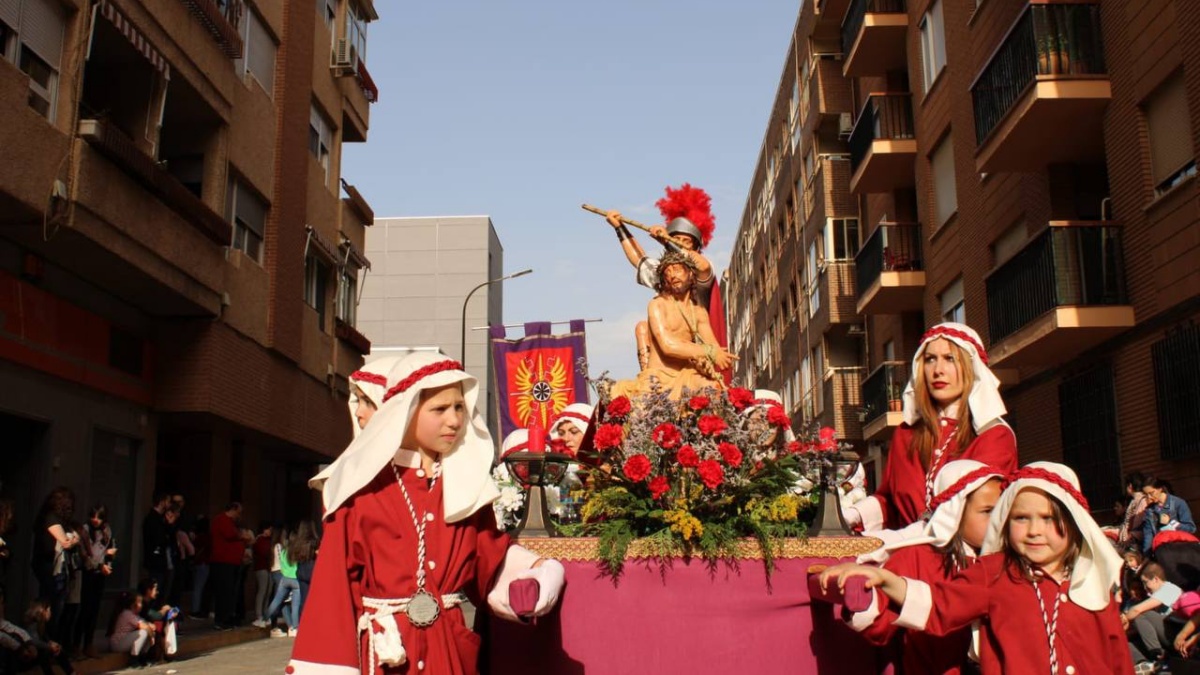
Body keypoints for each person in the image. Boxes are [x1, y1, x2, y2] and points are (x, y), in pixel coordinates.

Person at [291, 351, 566, 674]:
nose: (455, 420)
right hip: (386, 656)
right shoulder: (359, 491)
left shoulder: (465, 488)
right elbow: (333, 592)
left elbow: (489, 560)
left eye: (460, 407)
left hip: (447, 652)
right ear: (405, 412)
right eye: (440, 409)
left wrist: (535, 572)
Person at [822, 462, 1131, 675]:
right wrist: (887, 580)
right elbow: (938, 605)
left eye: (1049, 518)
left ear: (1075, 524)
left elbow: (1118, 658)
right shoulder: (994, 572)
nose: (1035, 530)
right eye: (1021, 518)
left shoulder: (1093, 580)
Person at [844, 323, 1018, 536]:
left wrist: (900, 540)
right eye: (930, 359)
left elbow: (970, 516)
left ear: (971, 368)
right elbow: (890, 502)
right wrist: (850, 515)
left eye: (949, 359)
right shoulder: (906, 434)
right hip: (903, 552)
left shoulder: (994, 435)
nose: (938, 370)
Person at [837, 460, 1003, 674]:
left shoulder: (1007, 562)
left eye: (1002, 510)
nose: (998, 521)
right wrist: (861, 598)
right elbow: (881, 625)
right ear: (954, 512)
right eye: (988, 511)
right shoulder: (918, 557)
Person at [606, 184, 722, 370]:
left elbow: (702, 265)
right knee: (642, 328)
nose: (679, 244)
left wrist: (667, 240)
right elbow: (639, 260)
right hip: (667, 339)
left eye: (686, 241)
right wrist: (620, 228)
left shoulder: (698, 274)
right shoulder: (667, 275)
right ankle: (647, 378)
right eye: (677, 239)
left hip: (695, 342)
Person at [609, 251, 735, 400]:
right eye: (667, 272)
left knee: (713, 390)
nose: (672, 275)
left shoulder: (699, 312)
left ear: (690, 274)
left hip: (688, 375)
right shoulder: (657, 305)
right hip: (658, 377)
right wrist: (710, 352)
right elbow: (668, 346)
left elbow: (713, 348)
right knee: (643, 408)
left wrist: (706, 363)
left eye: (677, 269)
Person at [31, 487, 78, 642]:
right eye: (68, 505)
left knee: (57, 605)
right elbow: (65, 541)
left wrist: (72, 539)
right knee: (50, 605)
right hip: (47, 566)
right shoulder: (51, 518)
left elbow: (74, 537)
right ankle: (44, 639)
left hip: (55, 568)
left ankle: (49, 639)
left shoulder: (63, 522)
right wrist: (71, 540)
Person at [1122, 561, 1185, 669]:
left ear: (1155, 579)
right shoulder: (1157, 595)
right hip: (1166, 633)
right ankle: (1143, 664)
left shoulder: (1169, 589)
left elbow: (1137, 610)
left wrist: (1123, 619)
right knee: (1126, 643)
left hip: (1177, 632)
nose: (1145, 588)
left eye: (1145, 583)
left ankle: (1158, 655)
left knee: (1143, 614)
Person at [79, 505, 116, 659]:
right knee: (84, 610)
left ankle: (89, 644)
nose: (96, 520)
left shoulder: (107, 530)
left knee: (94, 611)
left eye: (99, 517)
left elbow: (110, 549)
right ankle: (76, 645)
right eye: (93, 516)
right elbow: (85, 556)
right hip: (87, 573)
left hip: (100, 574)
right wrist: (99, 565)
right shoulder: (85, 530)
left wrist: (108, 561)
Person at [208, 502, 250, 630]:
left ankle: (229, 617)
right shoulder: (222, 520)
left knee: (231, 592)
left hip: (232, 562)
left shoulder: (231, 522)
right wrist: (242, 535)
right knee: (224, 592)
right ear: (233, 509)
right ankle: (221, 620)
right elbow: (229, 535)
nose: (239, 515)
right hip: (223, 562)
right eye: (239, 512)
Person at [22, 598, 76, 675]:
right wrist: (49, 646)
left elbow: (44, 638)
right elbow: (33, 641)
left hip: (35, 653)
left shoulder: (41, 624)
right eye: (49, 610)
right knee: (43, 653)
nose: (50, 613)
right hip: (26, 658)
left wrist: (52, 644)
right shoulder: (33, 623)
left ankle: (72, 673)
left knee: (56, 649)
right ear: (43, 611)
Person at [1142, 477, 1196, 553]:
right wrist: (1147, 555)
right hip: (1161, 552)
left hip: (1180, 549)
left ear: (1160, 489)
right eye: (1146, 495)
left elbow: (1191, 528)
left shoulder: (1178, 503)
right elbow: (1148, 536)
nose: (1149, 497)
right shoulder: (1149, 510)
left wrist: (1171, 522)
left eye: (1151, 493)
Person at [263, 526, 300, 637]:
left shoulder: (282, 550)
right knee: (294, 604)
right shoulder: (284, 548)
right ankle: (294, 627)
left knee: (279, 600)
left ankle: (266, 618)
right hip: (290, 577)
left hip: (283, 577)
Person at [107, 591, 154, 668]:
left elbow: (146, 624)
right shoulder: (127, 613)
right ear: (132, 604)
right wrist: (151, 635)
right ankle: (133, 659)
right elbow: (144, 627)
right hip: (118, 643)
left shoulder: (135, 615)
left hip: (125, 642)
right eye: (139, 603)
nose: (141, 605)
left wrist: (151, 627)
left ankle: (142, 657)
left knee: (149, 630)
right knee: (143, 632)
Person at [137, 578, 178, 663]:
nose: (157, 592)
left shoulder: (153, 602)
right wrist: (164, 610)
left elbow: (160, 614)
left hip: (148, 627)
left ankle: (165, 654)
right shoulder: (140, 603)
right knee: (158, 627)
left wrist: (172, 612)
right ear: (148, 590)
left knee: (167, 625)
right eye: (155, 589)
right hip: (137, 629)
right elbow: (156, 616)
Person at [141, 493, 171, 598]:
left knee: (160, 590)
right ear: (162, 502)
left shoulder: (158, 519)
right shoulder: (153, 519)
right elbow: (159, 540)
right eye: (167, 501)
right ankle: (153, 613)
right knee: (155, 591)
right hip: (156, 561)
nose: (169, 504)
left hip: (157, 561)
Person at [290, 521, 319, 623]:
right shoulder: (314, 541)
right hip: (312, 570)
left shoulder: (297, 542)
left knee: (303, 600)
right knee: (314, 600)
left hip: (300, 570)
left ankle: (302, 622)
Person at [1116, 472, 1149, 548]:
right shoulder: (1135, 500)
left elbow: (1142, 524)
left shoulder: (1142, 501)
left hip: (1135, 542)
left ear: (1130, 486)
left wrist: (1131, 535)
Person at [252, 523, 273, 627]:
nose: (270, 531)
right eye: (268, 529)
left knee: (268, 592)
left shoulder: (270, 540)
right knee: (262, 590)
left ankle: (265, 614)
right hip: (261, 568)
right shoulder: (259, 540)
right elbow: (263, 552)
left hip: (269, 568)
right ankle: (259, 614)